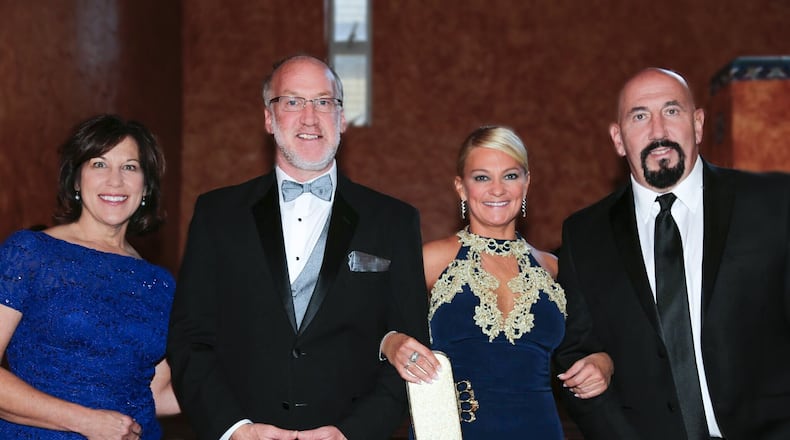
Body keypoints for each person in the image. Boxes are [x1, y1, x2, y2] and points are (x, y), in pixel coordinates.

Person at [166, 54, 429, 440]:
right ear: (269, 119)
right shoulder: (217, 213)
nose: (309, 117)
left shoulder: (394, 220)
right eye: (292, 102)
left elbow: (410, 347)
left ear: (341, 119)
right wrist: (235, 429)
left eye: (323, 102)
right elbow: (191, 338)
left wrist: (351, 433)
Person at [553, 67, 790, 440]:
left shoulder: (773, 204)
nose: (658, 131)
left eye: (672, 111)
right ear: (618, 138)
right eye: (640, 116)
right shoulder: (584, 235)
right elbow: (576, 355)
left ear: (697, 124)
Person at [380, 126, 613, 439]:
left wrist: (603, 362)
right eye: (481, 177)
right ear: (461, 188)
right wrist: (389, 342)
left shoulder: (556, 269)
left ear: (527, 183)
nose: (497, 190)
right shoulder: (431, 259)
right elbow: (363, 320)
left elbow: (597, 343)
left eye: (510, 175)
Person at [0, 114, 180, 439]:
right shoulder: (30, 253)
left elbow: (157, 393)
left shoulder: (161, 283)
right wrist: (86, 422)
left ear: (146, 187)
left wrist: (248, 379)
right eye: (99, 164)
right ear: (76, 180)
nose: (115, 181)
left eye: (130, 167)